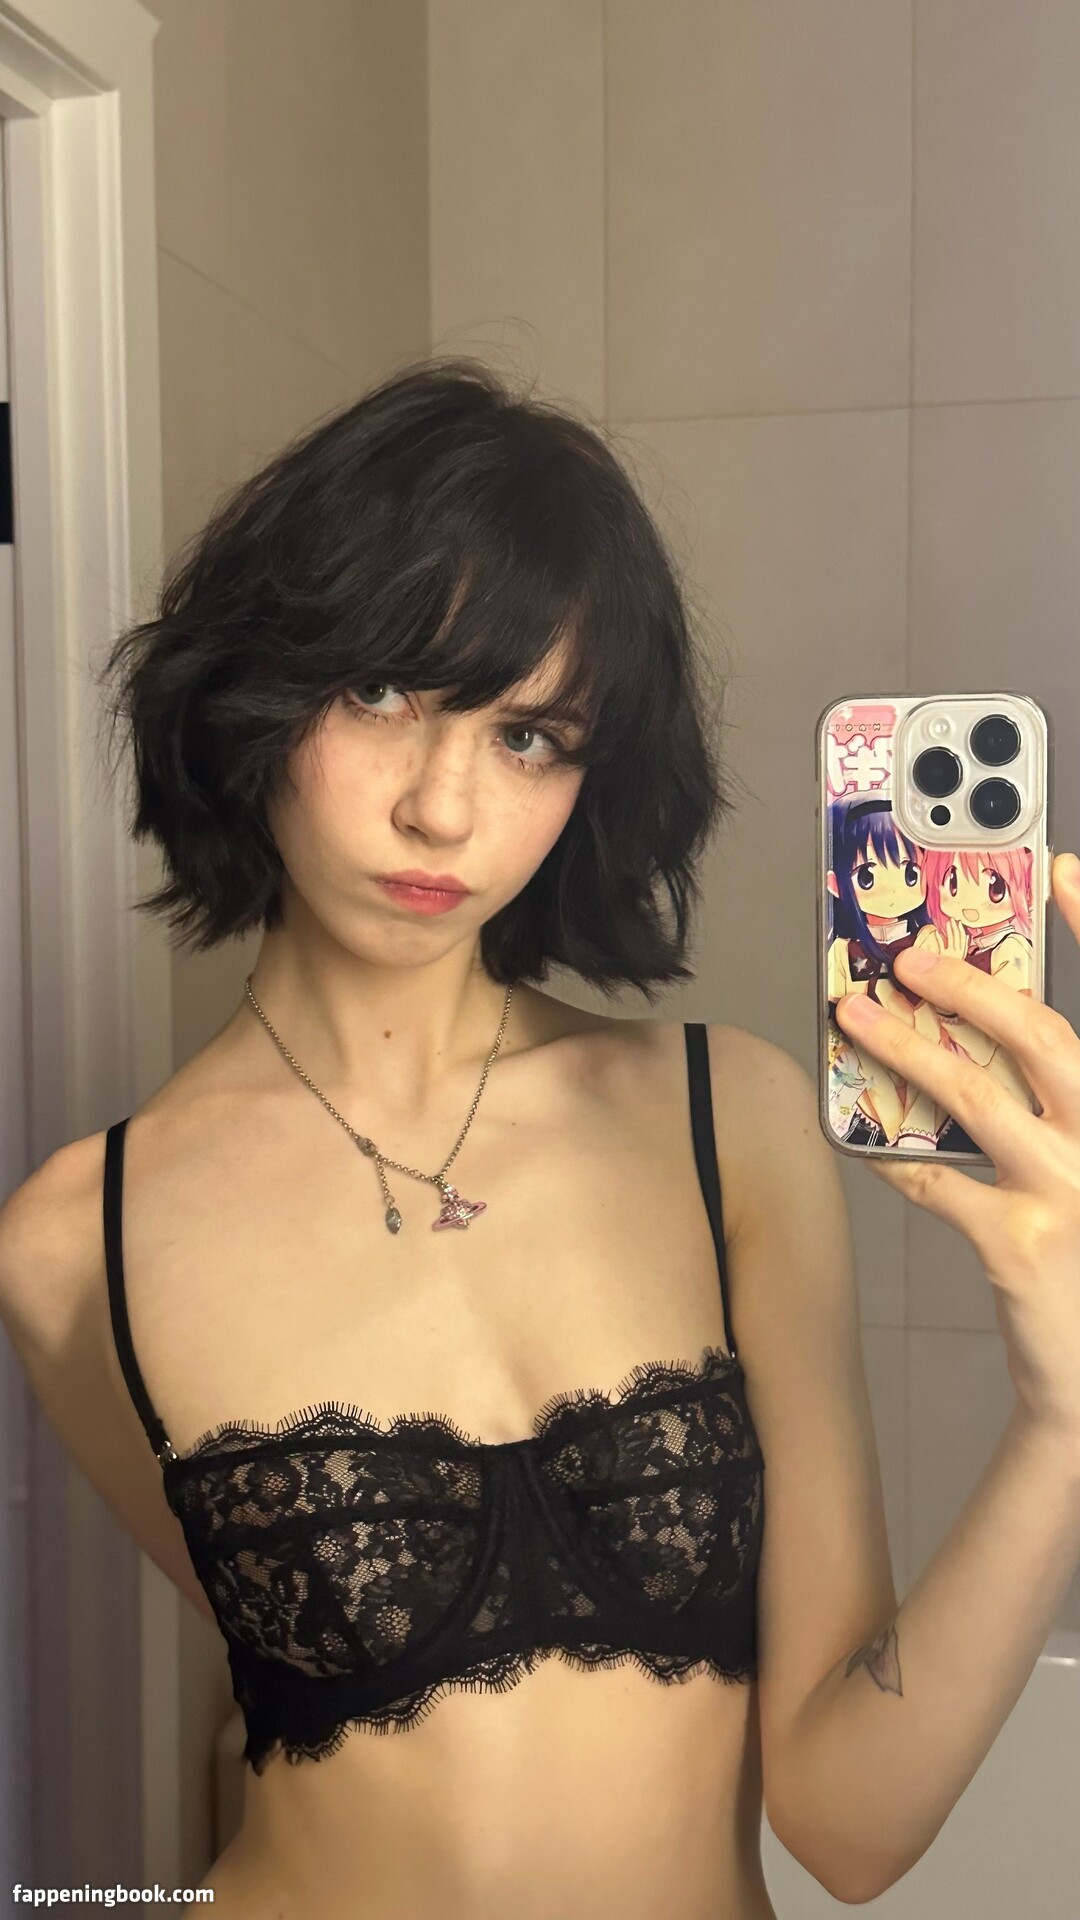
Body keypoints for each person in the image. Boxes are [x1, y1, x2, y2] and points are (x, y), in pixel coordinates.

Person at [4, 357, 1080, 1920]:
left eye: (529, 736)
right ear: (255, 692)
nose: (444, 811)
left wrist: (1063, 1421)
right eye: (383, 695)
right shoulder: (72, 1243)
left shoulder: (726, 1121)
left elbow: (851, 1829)